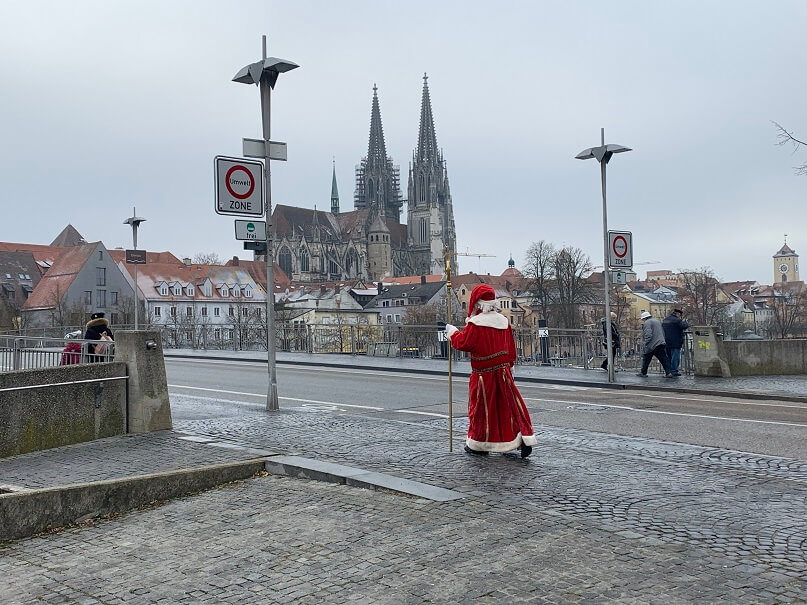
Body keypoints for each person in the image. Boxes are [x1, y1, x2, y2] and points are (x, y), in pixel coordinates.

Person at [446, 284, 537, 458]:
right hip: (503, 372)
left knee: (481, 409)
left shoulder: (476, 324)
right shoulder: (504, 322)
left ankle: (478, 444)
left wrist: (452, 332)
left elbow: (464, 343)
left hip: (483, 375)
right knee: (510, 408)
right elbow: (511, 348)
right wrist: (510, 366)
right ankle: (521, 437)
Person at [637, 310, 672, 378]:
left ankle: (643, 373)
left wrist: (645, 343)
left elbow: (648, 334)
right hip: (660, 343)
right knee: (663, 359)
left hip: (652, 345)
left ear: (644, 318)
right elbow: (662, 332)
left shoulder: (647, 323)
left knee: (646, 359)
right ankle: (669, 372)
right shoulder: (657, 321)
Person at [662, 308, 689, 377]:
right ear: (678, 314)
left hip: (666, 341)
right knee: (675, 357)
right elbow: (684, 326)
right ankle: (674, 371)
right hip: (676, 342)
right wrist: (685, 322)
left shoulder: (665, 320)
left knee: (668, 357)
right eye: (680, 315)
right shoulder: (677, 320)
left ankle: (668, 371)